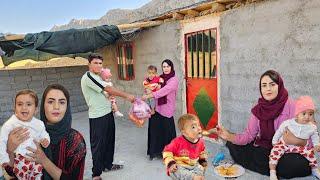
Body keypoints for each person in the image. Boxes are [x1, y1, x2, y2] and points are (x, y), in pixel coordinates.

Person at [216, 70, 312, 178]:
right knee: (239, 147)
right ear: (261, 89)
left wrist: (291, 141)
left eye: (272, 84)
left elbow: (308, 140)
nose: (268, 89)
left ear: (279, 86)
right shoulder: (258, 109)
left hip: (288, 151)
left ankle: (272, 167)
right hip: (265, 148)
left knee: (296, 164)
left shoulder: (293, 106)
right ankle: (272, 167)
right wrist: (228, 136)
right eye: (264, 85)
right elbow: (248, 136)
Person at [5, 84, 86, 180]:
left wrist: (44, 160)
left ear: (67, 107)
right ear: (43, 106)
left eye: (62, 102)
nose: (56, 107)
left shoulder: (75, 140)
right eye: (51, 102)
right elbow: (12, 171)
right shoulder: (31, 132)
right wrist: (10, 150)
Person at [81, 53, 135, 180]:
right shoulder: (88, 76)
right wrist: (127, 96)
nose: (99, 66)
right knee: (98, 145)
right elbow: (108, 89)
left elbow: (106, 92)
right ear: (89, 64)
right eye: (95, 63)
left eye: (100, 63)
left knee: (109, 142)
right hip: (97, 117)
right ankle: (96, 174)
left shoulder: (98, 76)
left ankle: (107, 165)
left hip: (107, 113)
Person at [0, 90, 50, 179]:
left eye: (28, 104)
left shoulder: (39, 124)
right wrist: (4, 159)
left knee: (38, 175)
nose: (24, 107)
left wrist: (45, 140)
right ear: (15, 108)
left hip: (35, 158)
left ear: (36, 109)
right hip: (20, 159)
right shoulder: (10, 124)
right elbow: (2, 142)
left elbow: (44, 134)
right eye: (19, 104)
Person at [269, 96, 320, 180]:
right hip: (284, 144)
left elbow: (315, 136)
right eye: (304, 113)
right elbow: (279, 131)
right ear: (297, 114)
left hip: (301, 147)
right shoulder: (288, 123)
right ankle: (272, 171)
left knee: (311, 155)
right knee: (274, 153)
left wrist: (316, 144)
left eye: (310, 114)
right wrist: (274, 141)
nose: (307, 117)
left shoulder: (312, 127)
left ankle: (314, 169)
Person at [142, 59, 179, 160]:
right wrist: (147, 90)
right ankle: (155, 152)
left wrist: (151, 94)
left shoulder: (173, 80)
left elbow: (165, 90)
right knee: (155, 131)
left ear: (171, 67)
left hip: (167, 109)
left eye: (167, 66)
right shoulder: (159, 78)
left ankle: (169, 155)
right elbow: (150, 85)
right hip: (156, 108)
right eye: (164, 67)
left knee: (167, 133)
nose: (166, 68)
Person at [163, 114, 207, 180]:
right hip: (180, 165)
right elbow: (167, 152)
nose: (199, 128)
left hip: (193, 166)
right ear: (184, 132)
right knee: (177, 171)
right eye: (193, 127)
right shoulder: (177, 142)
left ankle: (196, 177)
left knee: (200, 169)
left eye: (199, 125)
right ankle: (193, 177)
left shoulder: (201, 142)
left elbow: (202, 152)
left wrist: (203, 162)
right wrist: (171, 164)